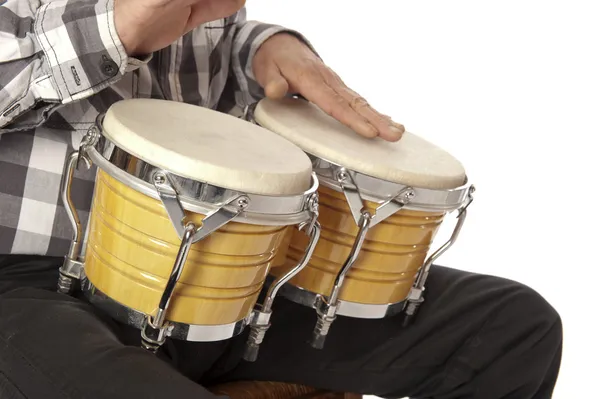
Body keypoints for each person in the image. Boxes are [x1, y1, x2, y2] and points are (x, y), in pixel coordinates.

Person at [0, 1, 562, 398]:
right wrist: (116, 32)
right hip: (26, 286)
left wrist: (261, 49)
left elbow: (205, 55)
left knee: (512, 331)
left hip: (218, 272)